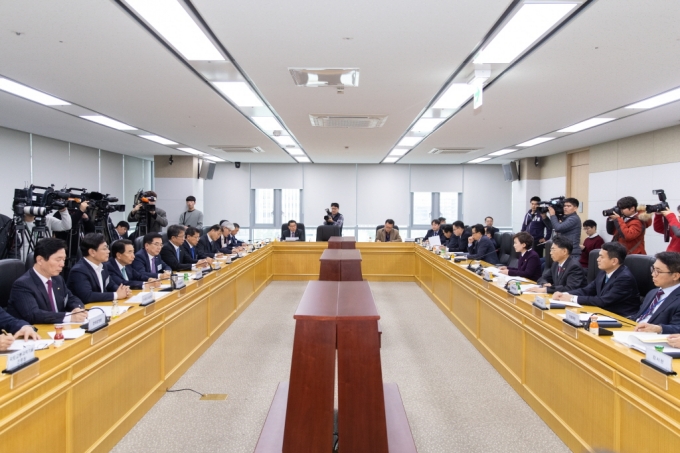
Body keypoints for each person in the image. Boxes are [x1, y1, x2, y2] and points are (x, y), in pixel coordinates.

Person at [7, 238, 86, 324]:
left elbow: (71, 298)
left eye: (63, 260)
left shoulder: (57, 279)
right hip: (35, 333)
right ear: (40, 260)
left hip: (59, 329)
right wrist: (69, 317)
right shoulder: (22, 285)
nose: (62, 264)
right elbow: (34, 315)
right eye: (58, 260)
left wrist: (77, 308)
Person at [553, 242, 640, 318]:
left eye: (601, 257)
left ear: (614, 261)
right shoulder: (603, 272)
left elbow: (603, 301)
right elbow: (587, 290)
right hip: (604, 313)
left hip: (621, 318)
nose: (597, 259)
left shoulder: (624, 278)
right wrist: (565, 294)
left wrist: (572, 298)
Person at [67, 233, 131, 303]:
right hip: (85, 310)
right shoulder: (79, 271)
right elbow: (87, 296)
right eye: (104, 249)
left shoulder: (103, 265)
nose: (108, 251)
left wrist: (122, 290)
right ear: (92, 252)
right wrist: (116, 295)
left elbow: (110, 285)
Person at [633, 252, 680, 333]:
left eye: (658, 271)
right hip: (633, 330)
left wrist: (659, 329)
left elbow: (678, 328)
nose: (653, 274)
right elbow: (637, 317)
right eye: (653, 269)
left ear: (675, 276)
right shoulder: (652, 293)